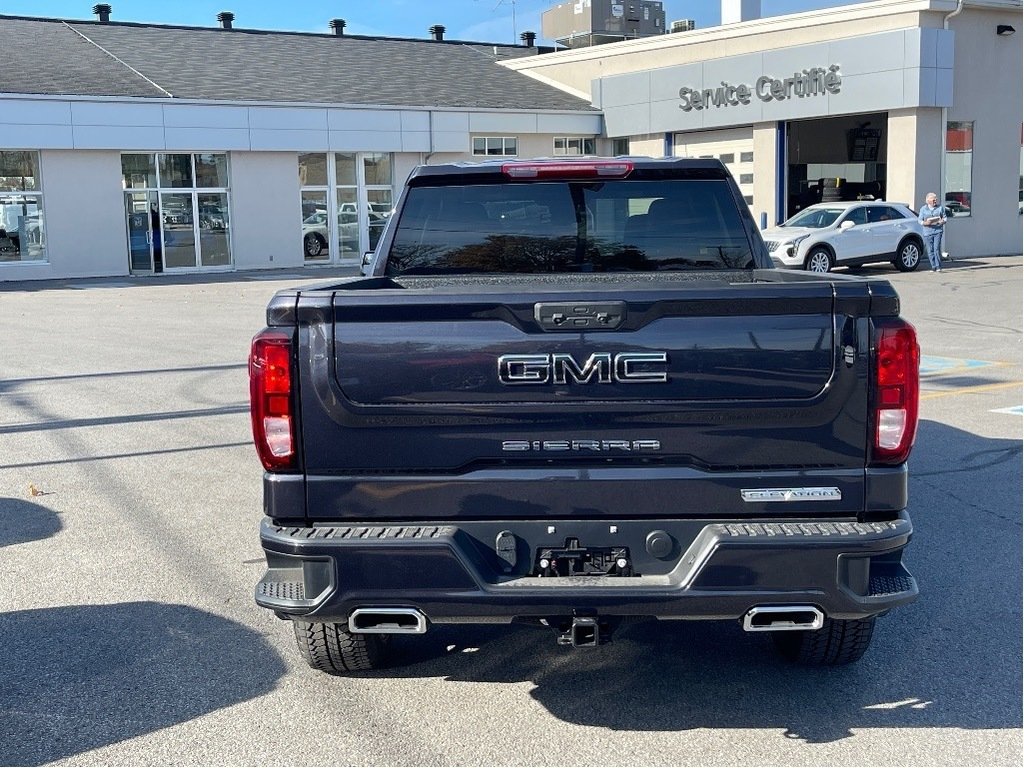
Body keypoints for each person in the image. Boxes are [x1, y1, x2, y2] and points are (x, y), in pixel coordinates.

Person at [918, 192, 947, 272]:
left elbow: (945, 218)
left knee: (936, 249)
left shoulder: (940, 208)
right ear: (928, 201)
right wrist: (925, 223)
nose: (935, 201)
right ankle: (933, 266)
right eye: (933, 200)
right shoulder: (923, 209)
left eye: (936, 200)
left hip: (938, 231)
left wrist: (942, 221)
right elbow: (919, 220)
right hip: (927, 232)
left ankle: (938, 267)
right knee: (930, 250)